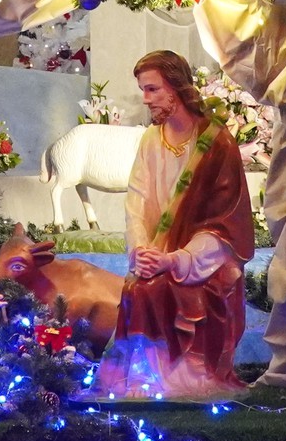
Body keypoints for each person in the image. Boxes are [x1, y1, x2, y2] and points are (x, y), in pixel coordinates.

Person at [106, 50, 256, 396]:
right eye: (143, 90)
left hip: (206, 262)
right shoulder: (150, 140)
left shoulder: (217, 143)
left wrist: (176, 260)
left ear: (176, 88)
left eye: (153, 90)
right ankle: (144, 377)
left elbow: (226, 224)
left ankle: (183, 378)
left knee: (158, 288)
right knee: (138, 287)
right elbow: (137, 200)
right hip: (159, 253)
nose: (146, 99)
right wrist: (142, 249)